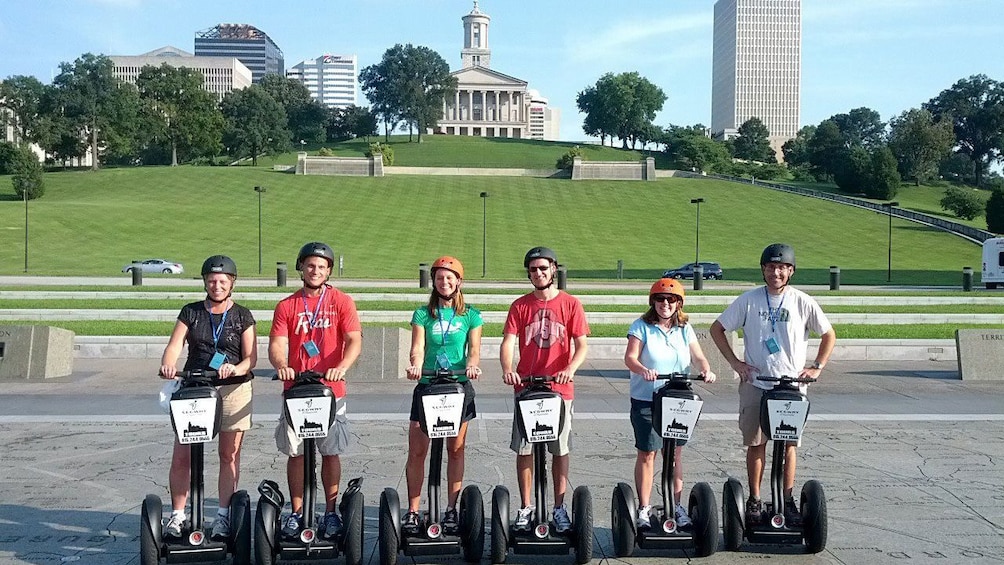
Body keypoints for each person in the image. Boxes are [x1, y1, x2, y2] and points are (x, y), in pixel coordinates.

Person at [710, 243, 835, 524]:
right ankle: (754, 499)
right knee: (757, 443)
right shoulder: (750, 300)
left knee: (789, 445)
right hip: (757, 383)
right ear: (763, 270)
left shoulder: (802, 301)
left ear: (790, 271)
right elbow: (717, 328)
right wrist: (735, 363)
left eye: (781, 268)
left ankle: (787, 499)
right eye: (770, 267)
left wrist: (816, 367)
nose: (775, 272)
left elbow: (828, 335)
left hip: (791, 386)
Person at [269, 242, 362, 540]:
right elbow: (277, 344)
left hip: (330, 388)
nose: (316, 270)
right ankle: (297, 512)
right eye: (311, 265)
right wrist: (282, 364)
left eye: (322, 267)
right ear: (301, 268)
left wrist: (342, 366)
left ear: (329, 271)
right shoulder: (287, 305)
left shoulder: (342, 301)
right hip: (296, 388)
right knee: (295, 453)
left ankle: (331, 512)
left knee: (330, 452)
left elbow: (354, 340)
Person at [159, 255, 257, 540]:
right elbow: (174, 345)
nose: (217, 285)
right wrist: (168, 364)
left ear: (232, 283)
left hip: (232, 387)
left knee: (229, 455)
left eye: (222, 281)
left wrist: (235, 368)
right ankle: (178, 514)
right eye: (212, 281)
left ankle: (224, 515)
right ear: (205, 282)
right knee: (183, 455)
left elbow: (251, 358)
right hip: (196, 386)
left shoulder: (242, 315)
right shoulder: (191, 312)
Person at [500, 246, 589, 533]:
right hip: (526, 387)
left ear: (553, 269)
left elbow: (582, 345)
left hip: (560, 389)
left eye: (543, 268)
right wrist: (508, 369)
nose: (538, 273)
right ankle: (526, 506)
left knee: (560, 449)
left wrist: (570, 370)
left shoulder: (570, 304)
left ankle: (559, 508)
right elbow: (508, 342)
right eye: (533, 269)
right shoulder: (520, 306)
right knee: (524, 450)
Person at [623, 278, 716, 529]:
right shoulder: (641, 326)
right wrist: (643, 370)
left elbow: (697, 356)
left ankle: (676, 505)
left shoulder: (685, 328)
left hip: (677, 397)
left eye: (671, 299)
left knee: (674, 453)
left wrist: (706, 370)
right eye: (660, 299)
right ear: (652, 301)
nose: (665, 303)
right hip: (647, 397)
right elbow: (630, 358)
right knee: (648, 452)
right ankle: (644, 507)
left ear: (679, 303)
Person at [403, 256, 483, 534]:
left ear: (459, 281)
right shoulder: (423, 314)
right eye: (439, 277)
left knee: (455, 450)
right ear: (433, 282)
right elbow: (418, 347)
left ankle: (450, 509)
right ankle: (413, 511)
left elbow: (474, 349)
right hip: (427, 385)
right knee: (417, 451)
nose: (444, 282)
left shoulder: (471, 314)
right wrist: (415, 364)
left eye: (450, 277)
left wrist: (472, 365)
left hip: (458, 387)